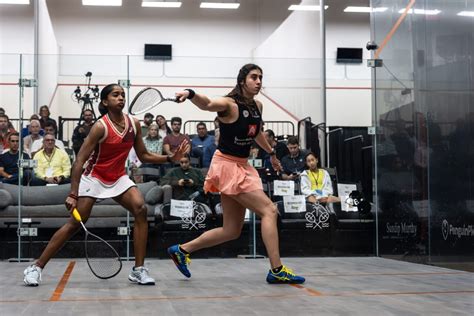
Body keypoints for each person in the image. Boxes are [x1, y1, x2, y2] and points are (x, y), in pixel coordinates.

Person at [23, 84, 189, 287]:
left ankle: (138, 270)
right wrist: (73, 193)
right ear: (104, 101)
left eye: (123, 95)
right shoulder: (100, 127)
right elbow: (79, 161)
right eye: (115, 95)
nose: (120, 98)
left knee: (140, 208)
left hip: (118, 177)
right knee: (75, 222)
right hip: (94, 177)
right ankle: (36, 267)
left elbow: (144, 155)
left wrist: (170, 158)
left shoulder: (134, 124)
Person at [168, 64, 305, 284]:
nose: (258, 81)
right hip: (226, 166)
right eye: (254, 77)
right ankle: (277, 270)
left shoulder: (257, 105)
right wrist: (191, 94)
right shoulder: (229, 104)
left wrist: (270, 153)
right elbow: (209, 103)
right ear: (243, 80)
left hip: (242, 165)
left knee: (231, 230)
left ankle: (182, 250)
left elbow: (256, 132)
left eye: (261, 77)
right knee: (269, 210)